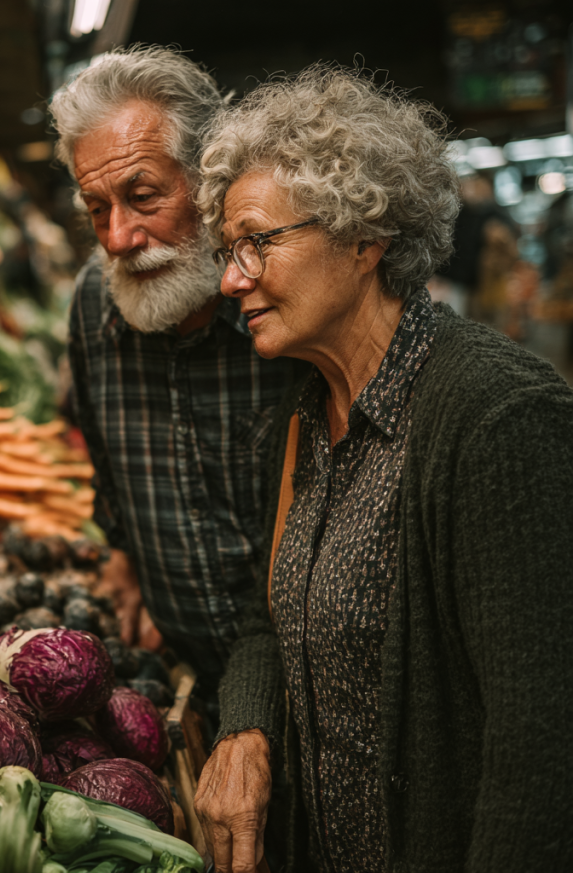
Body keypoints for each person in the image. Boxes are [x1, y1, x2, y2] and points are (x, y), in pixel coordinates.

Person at [192, 66, 573, 873]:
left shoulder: (495, 418)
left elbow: (540, 743)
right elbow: (272, 615)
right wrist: (247, 725)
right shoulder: (302, 414)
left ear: (365, 236)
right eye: (228, 251)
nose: (231, 279)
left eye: (257, 241)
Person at [49, 46, 308, 684]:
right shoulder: (93, 301)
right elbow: (109, 472)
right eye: (96, 209)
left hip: (316, 685)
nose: (118, 238)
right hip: (188, 680)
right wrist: (124, 555)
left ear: (209, 177)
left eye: (142, 196)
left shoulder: (283, 295)